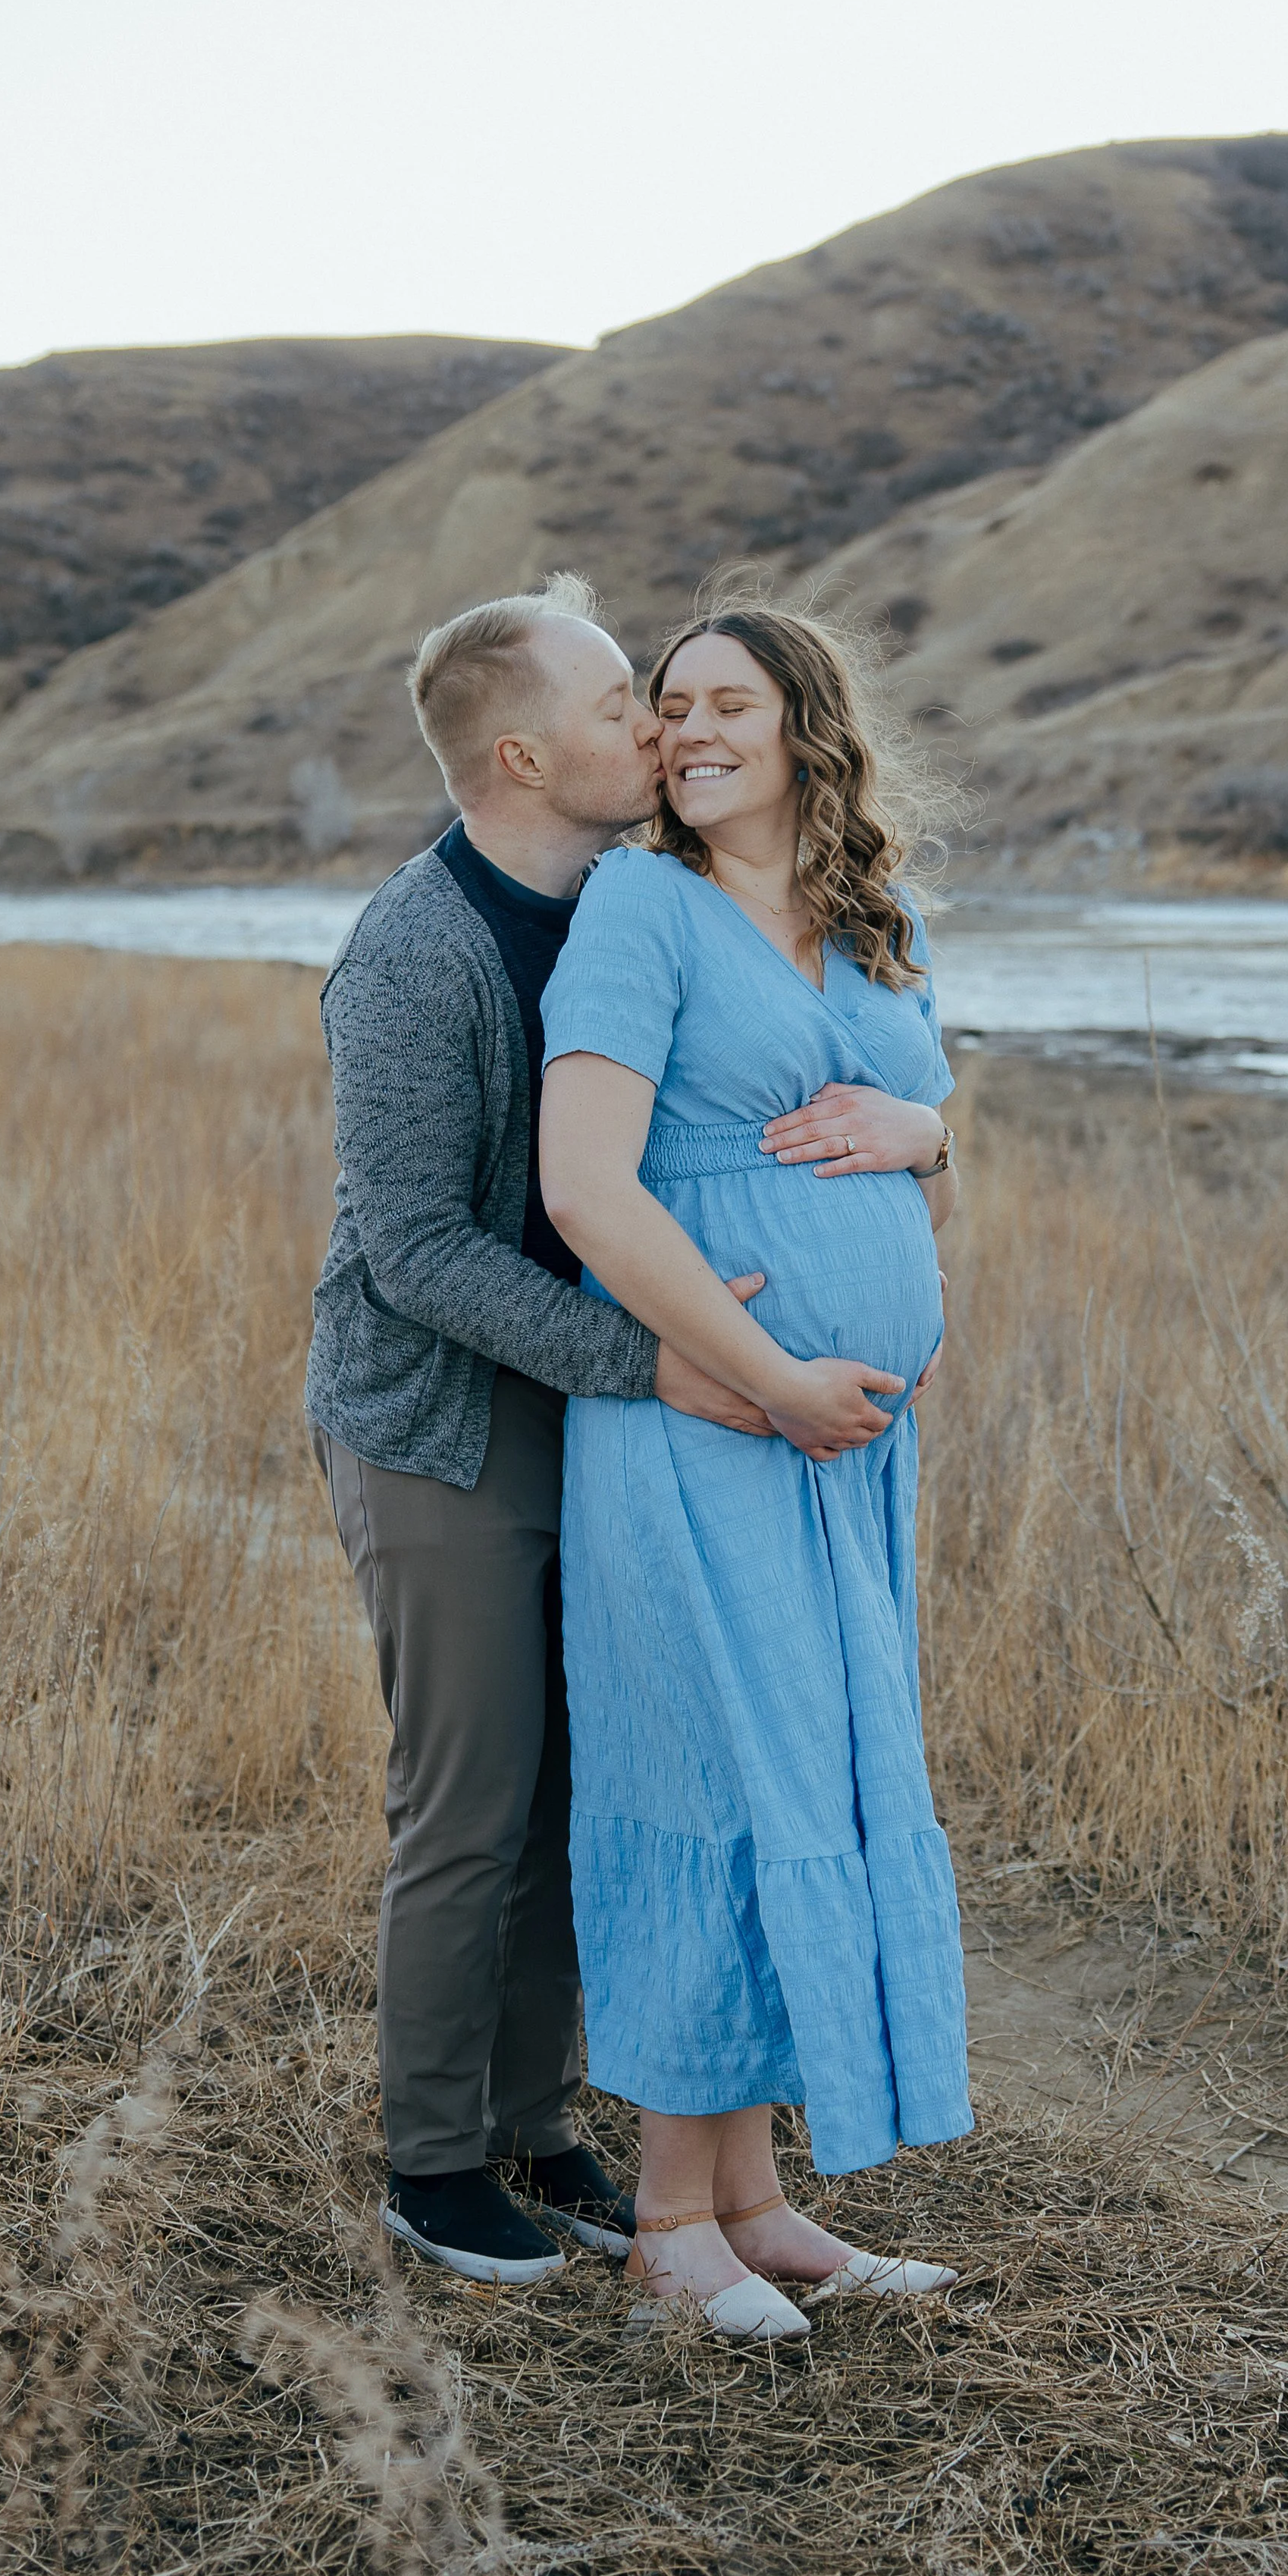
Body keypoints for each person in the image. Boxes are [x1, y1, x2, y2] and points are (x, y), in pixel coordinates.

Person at [304, 574, 777, 2286]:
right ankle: (431, 2167)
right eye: (609, 712)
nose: (648, 729)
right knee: (469, 1799)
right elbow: (412, 1251)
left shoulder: (630, 907)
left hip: (592, 1411)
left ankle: (535, 2124)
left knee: (580, 1788)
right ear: (517, 755)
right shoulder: (413, 958)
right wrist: (645, 1361)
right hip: (438, 1426)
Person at [538, 602, 973, 2342]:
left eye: (726, 700)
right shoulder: (640, 910)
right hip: (709, 1417)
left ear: (806, 723)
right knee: (708, 1777)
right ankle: (665, 2228)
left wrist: (927, 1131)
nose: (687, 728)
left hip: (850, 1442)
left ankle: (756, 2200)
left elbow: (925, 1145)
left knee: (812, 1771)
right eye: (666, 706)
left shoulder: (879, 916)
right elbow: (587, 1187)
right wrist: (771, 1370)